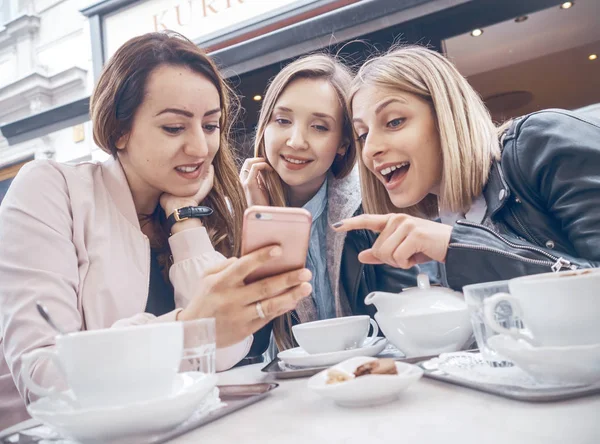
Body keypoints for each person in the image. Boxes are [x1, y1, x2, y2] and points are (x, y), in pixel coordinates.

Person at [0, 32, 312, 429]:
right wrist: (186, 330)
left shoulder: (189, 206)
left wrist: (185, 220)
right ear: (119, 131)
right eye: (173, 128)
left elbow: (224, 352)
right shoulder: (50, 188)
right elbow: (43, 375)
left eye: (211, 125)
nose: (200, 148)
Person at [333, 45, 600, 290]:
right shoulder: (449, 217)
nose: (370, 149)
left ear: (446, 114)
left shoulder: (541, 141)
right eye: (363, 134)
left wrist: (457, 247)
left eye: (394, 122)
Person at [240, 54, 426, 353]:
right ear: (265, 126)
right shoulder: (234, 217)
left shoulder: (372, 203)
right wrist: (265, 230)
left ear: (343, 144)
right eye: (283, 120)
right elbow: (251, 345)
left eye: (320, 127)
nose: (296, 141)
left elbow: (405, 316)